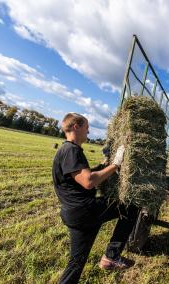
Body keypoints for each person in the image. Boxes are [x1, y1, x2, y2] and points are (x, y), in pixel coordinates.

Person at [52, 112, 139, 284]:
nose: (89, 132)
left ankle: (107, 260)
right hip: (85, 210)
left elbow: (82, 175)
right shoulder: (71, 150)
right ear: (76, 127)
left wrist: (104, 165)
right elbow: (88, 181)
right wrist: (116, 164)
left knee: (77, 262)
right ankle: (112, 256)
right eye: (86, 128)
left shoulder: (66, 149)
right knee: (131, 207)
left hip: (75, 213)